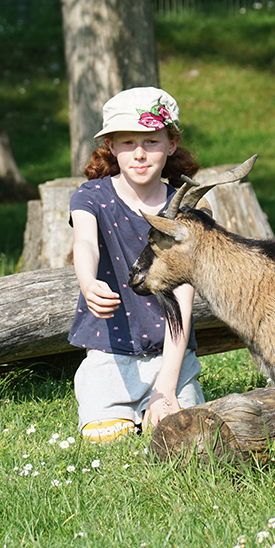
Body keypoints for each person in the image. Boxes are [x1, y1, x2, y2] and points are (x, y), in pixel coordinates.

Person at [68, 87, 206, 443]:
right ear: (111, 146)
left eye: (152, 142)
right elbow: (83, 241)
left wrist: (166, 387)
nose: (140, 154)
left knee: (183, 437)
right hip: (109, 353)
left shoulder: (189, 210)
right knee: (105, 436)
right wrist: (88, 283)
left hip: (172, 356)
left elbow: (183, 299)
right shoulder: (92, 196)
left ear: (171, 144)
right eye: (127, 142)